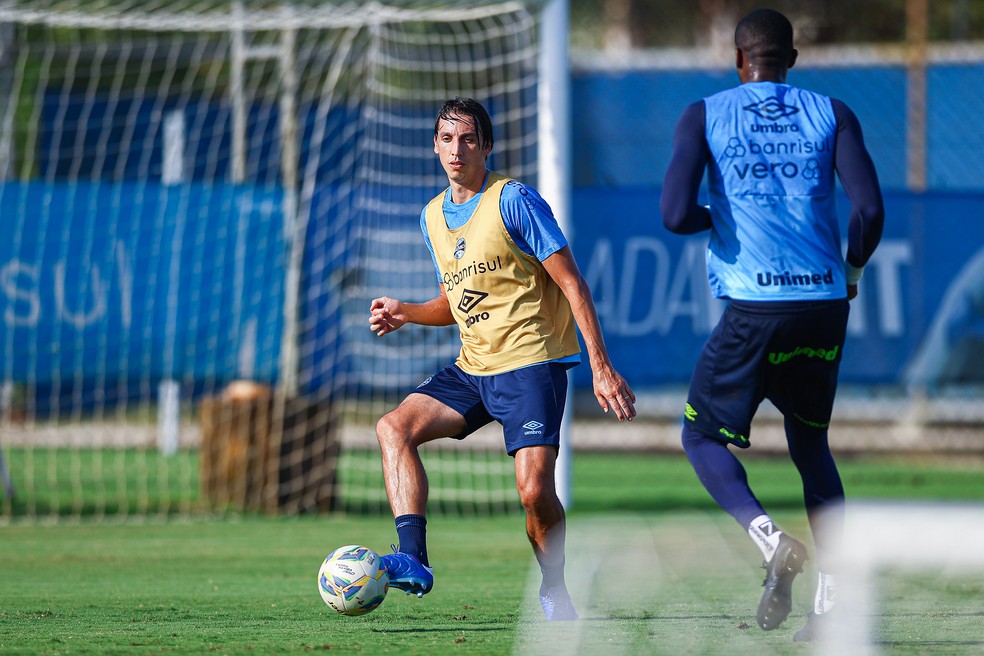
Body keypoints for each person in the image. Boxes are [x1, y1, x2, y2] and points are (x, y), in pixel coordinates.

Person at [659, 9, 884, 642]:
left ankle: (769, 540)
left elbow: (674, 215)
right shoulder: (832, 113)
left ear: (739, 59)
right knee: (811, 446)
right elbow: (869, 211)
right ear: (794, 59)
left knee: (701, 436)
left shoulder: (705, 114)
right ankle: (830, 607)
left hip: (755, 310)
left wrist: (720, 214)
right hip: (824, 304)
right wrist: (852, 271)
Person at [369, 97, 636, 621]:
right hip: (473, 368)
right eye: (447, 139)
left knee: (534, 491)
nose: (457, 150)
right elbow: (456, 301)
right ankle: (413, 559)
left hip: (531, 365)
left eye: (468, 139)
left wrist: (601, 368)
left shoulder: (513, 200)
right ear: (435, 147)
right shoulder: (431, 216)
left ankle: (554, 587)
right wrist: (409, 312)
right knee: (392, 428)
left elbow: (573, 284)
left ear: (486, 146)